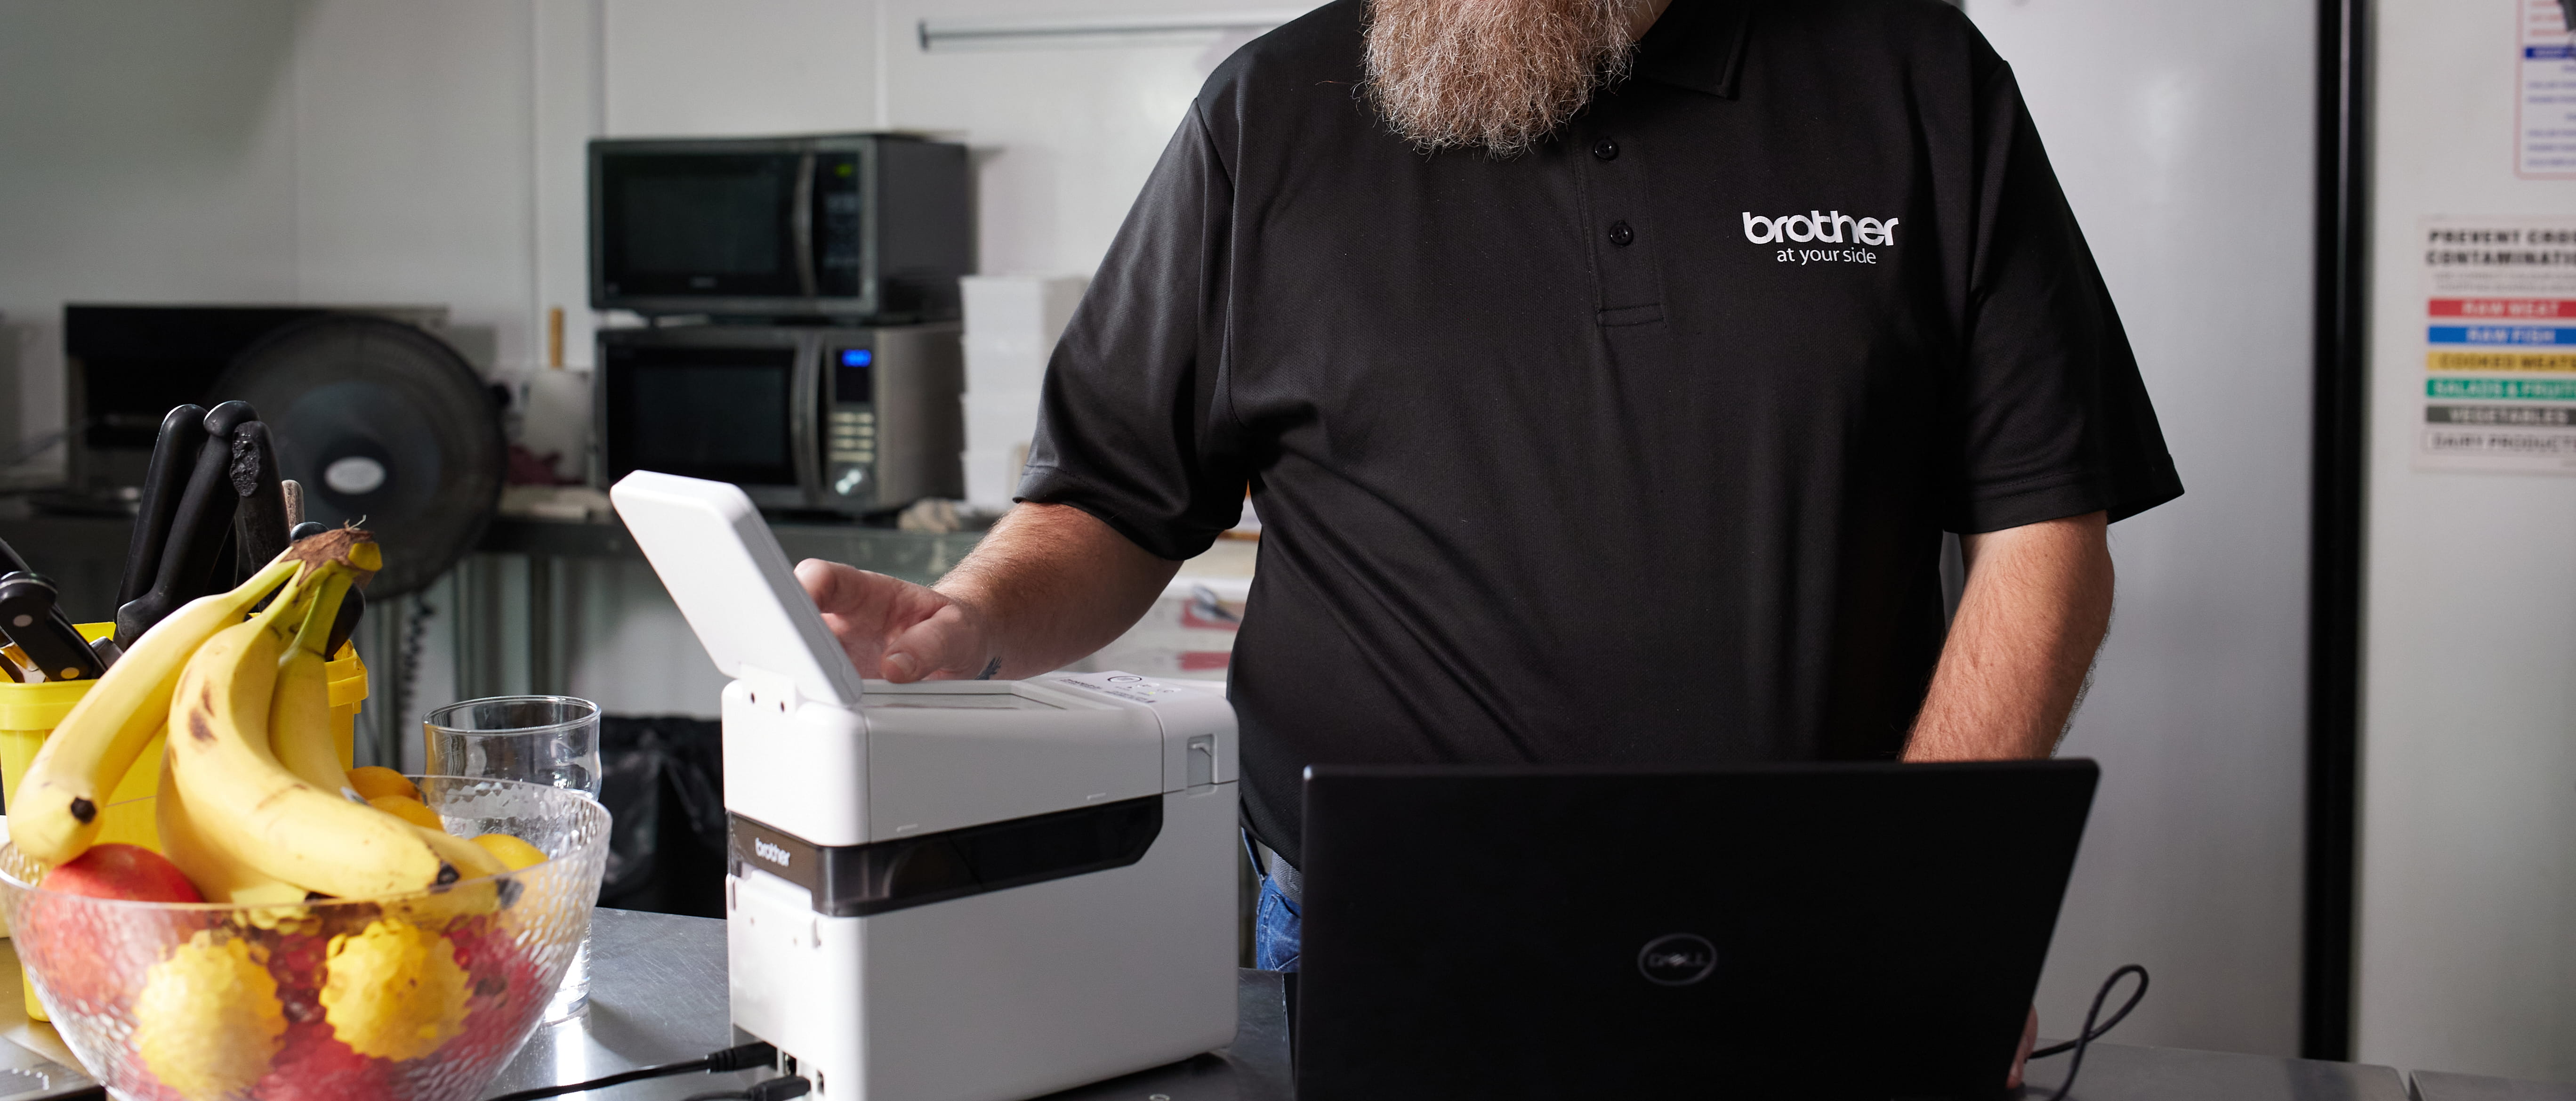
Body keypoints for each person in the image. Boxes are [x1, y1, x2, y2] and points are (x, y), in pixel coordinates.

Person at [797, 0, 2179, 1085]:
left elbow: (2045, 523)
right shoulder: (1267, 117)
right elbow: (1109, 495)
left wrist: (1927, 914)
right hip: (1364, 943)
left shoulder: (1916, 81)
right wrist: (969, 618)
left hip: (1816, 943)